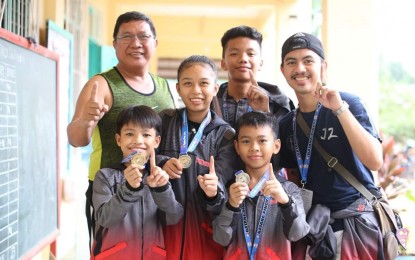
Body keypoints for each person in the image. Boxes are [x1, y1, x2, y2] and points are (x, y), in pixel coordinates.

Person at [66, 11, 176, 247]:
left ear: (155, 43)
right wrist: (86, 119)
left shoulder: (164, 86)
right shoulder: (101, 84)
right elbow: (75, 139)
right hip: (110, 190)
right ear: (114, 44)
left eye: (143, 36)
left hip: (156, 189)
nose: (135, 43)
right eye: (126, 36)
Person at [278, 32, 386, 259]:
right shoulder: (287, 124)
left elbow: (375, 161)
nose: (300, 68)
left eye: (308, 60)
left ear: (323, 66)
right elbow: (295, 177)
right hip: (317, 229)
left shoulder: (348, 103)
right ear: (283, 71)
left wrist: (339, 109)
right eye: (291, 62)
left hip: (356, 224)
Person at [157, 55, 236, 260]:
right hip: (162, 227)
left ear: (215, 89)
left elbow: (222, 190)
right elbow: (144, 154)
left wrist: (212, 191)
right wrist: (162, 162)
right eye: (188, 83)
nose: (196, 91)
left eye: (204, 83)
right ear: (178, 89)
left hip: (204, 230)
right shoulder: (163, 121)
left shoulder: (226, 135)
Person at [213, 111, 310, 259]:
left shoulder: (288, 189)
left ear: (276, 146)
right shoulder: (231, 189)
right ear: (237, 147)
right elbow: (221, 238)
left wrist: (285, 203)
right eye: (246, 141)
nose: (254, 147)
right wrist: (231, 205)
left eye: (262, 140)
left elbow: (298, 234)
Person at [91, 105, 183, 259]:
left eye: (146, 134)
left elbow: (174, 217)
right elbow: (104, 219)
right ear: (119, 140)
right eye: (129, 134)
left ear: (157, 141)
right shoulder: (105, 176)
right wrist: (129, 189)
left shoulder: (160, 177)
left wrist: (161, 190)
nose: (138, 141)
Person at [217, 25, 294, 128]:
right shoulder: (210, 102)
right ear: (223, 64)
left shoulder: (278, 104)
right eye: (234, 54)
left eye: (251, 54)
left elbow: (282, 141)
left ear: (261, 63)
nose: (243, 59)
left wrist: (264, 113)